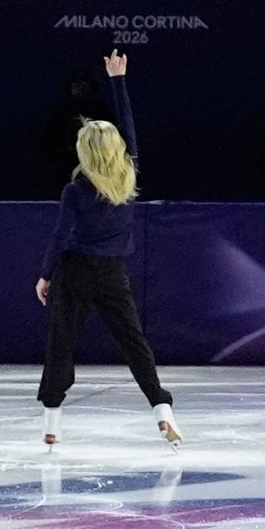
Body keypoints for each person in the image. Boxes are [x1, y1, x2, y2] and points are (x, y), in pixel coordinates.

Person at [38, 50, 182, 449]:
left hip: (76, 272)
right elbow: (129, 129)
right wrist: (118, 80)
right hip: (112, 274)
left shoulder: (76, 190)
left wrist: (45, 274)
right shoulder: (128, 174)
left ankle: (52, 421)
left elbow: (59, 236)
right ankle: (162, 410)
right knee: (134, 342)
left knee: (61, 343)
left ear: (86, 152)